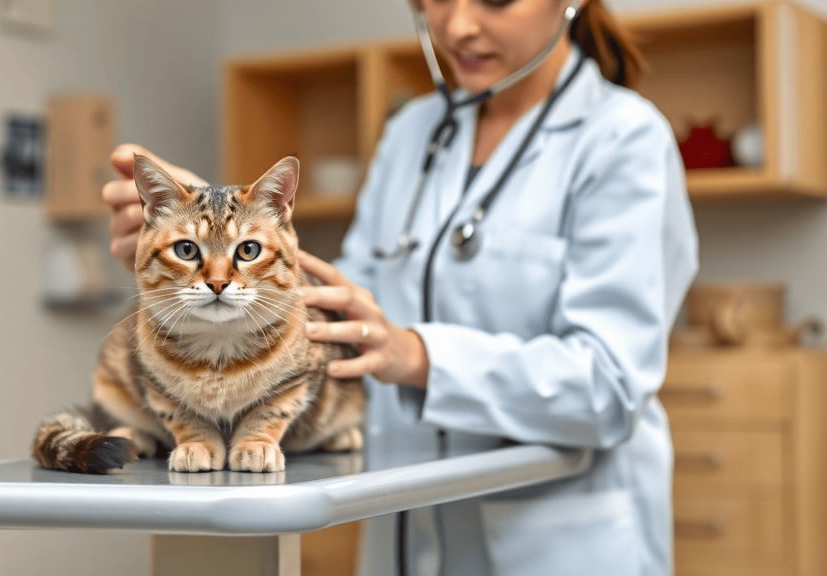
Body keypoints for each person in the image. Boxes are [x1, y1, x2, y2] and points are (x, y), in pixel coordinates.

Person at [102, 0, 698, 574]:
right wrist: (210, 238)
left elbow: (611, 384)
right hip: (407, 523)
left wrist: (417, 356)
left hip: (559, 536)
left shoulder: (625, 139)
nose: (458, 25)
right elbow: (340, 303)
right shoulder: (414, 132)